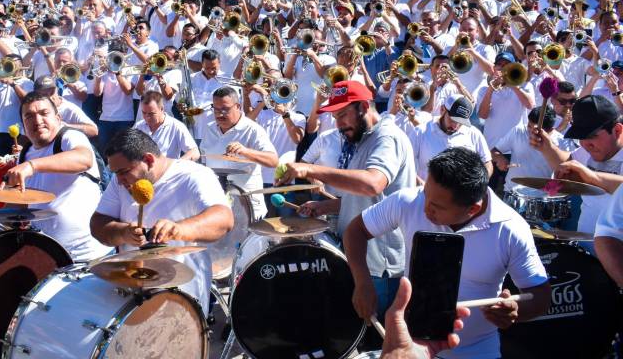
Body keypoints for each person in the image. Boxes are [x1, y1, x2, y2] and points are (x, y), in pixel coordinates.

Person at [344, 147, 551, 358]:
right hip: (412, 346)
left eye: (436, 207)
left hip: (477, 350)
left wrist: (514, 311)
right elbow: (355, 230)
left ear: (473, 209)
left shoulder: (511, 229)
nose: (425, 208)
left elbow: (540, 296)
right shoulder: (407, 201)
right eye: (425, 194)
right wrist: (362, 282)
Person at [278, 80, 417, 315]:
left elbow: (373, 184)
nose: (338, 124)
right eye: (334, 117)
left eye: (343, 115)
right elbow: (372, 200)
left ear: (363, 107)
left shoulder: (387, 138)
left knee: (375, 340)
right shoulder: (364, 139)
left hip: (378, 264)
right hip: (363, 258)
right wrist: (326, 206)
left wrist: (310, 169)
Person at [90, 128, 233, 315]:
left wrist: (179, 229)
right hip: (133, 293)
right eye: (115, 173)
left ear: (148, 160)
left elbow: (224, 219)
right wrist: (122, 232)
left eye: (124, 172)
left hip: (183, 295)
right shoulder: (121, 183)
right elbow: (98, 224)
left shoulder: (195, 175)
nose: (118, 181)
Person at [0, 92, 110, 261]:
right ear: (23, 125)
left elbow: (84, 159)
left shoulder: (69, 137)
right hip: (47, 254)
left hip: (89, 256)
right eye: (29, 116)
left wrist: (32, 166)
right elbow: (18, 207)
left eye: (44, 113)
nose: (37, 121)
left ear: (58, 118)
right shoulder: (25, 155)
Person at [530, 94, 621, 235]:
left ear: (617, 130)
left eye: (592, 136)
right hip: (585, 246)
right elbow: (567, 163)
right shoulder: (591, 148)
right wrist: (546, 147)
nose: (586, 144)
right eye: (581, 137)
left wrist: (593, 177)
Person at [202, 86, 279, 217]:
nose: (220, 114)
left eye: (225, 109)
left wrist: (246, 152)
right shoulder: (209, 129)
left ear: (238, 106)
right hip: (218, 206)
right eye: (216, 109)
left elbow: (273, 160)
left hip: (247, 207)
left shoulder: (253, 129)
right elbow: (204, 163)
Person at [409, 95, 492, 182]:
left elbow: (487, 162)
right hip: (425, 193)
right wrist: (420, 183)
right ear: (442, 110)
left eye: (460, 122)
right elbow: (405, 162)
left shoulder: (474, 134)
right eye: (452, 120)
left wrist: (478, 183)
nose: (455, 126)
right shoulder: (420, 132)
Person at [133, 90, 199, 161]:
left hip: (168, 171)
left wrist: (177, 165)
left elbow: (194, 151)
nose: (147, 117)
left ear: (162, 109)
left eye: (151, 114)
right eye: (144, 113)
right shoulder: (138, 126)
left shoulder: (176, 126)